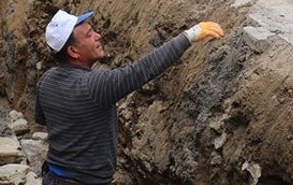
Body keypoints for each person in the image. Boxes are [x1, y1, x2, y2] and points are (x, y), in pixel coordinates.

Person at [36, 10, 224, 183]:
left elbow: (43, 119)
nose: (98, 36)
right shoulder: (93, 86)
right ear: (73, 51)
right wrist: (189, 36)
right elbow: (140, 71)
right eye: (89, 35)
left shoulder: (46, 80)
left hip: (53, 176)